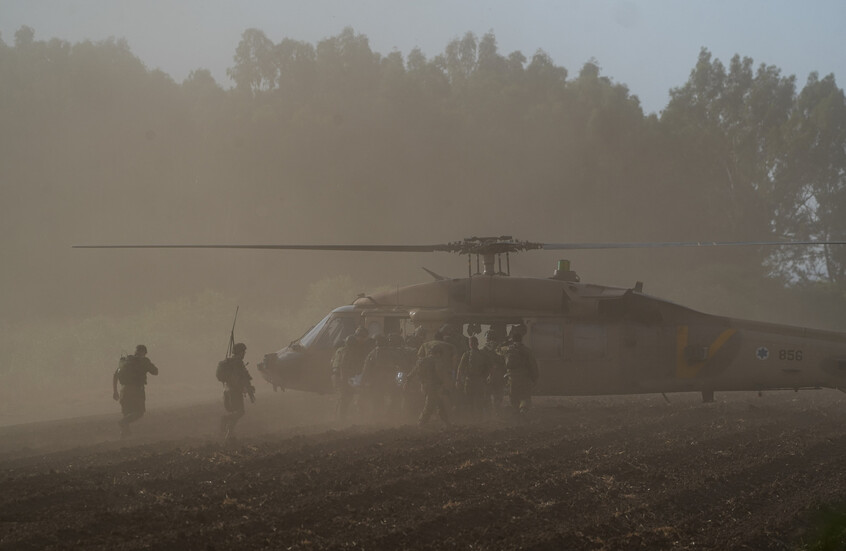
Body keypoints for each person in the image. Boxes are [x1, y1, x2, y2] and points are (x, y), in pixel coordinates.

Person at [112, 344, 158, 439]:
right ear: (144, 352)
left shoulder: (126, 361)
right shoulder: (144, 361)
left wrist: (115, 391)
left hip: (123, 391)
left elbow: (115, 375)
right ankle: (122, 423)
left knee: (126, 413)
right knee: (139, 412)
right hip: (137, 390)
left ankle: (123, 440)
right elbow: (155, 372)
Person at [334, 327, 374, 421]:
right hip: (348, 377)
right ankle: (341, 420)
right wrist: (344, 379)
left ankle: (361, 418)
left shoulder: (365, 347)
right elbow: (343, 366)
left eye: (363, 337)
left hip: (358, 376)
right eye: (359, 336)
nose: (361, 339)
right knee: (345, 398)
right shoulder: (349, 349)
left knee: (361, 399)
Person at [217, 342, 255, 440]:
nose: (244, 354)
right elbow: (244, 377)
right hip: (235, 391)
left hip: (227, 390)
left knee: (236, 411)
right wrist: (249, 388)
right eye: (243, 352)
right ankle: (225, 421)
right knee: (240, 412)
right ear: (240, 352)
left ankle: (230, 433)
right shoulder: (238, 362)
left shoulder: (228, 361)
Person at [406, 347, 450, 427]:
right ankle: (421, 423)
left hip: (424, 385)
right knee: (430, 405)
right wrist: (443, 386)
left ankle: (447, 422)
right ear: (438, 354)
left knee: (439, 403)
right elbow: (438, 374)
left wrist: (407, 382)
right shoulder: (436, 361)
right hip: (432, 386)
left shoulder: (421, 361)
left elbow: (412, 373)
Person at [456, 336, 492, 420]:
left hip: (474, 380)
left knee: (474, 400)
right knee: (473, 400)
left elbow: (460, 368)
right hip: (473, 380)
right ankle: (475, 418)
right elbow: (460, 368)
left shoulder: (468, 354)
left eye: (472, 343)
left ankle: (476, 418)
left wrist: (458, 380)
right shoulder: (477, 354)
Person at [504, 332, 539, 415]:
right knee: (525, 398)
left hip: (512, 380)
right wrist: (535, 378)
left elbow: (505, 365)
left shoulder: (508, 350)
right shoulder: (527, 351)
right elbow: (533, 365)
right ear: (521, 339)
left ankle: (516, 418)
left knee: (514, 400)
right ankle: (524, 416)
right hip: (524, 379)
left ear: (513, 340)